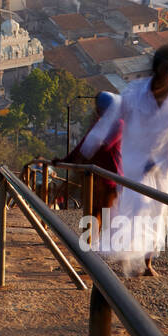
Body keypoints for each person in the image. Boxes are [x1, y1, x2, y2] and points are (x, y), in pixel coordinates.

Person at [78, 45, 168, 276]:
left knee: (156, 212)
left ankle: (146, 262)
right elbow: (112, 117)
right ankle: (124, 259)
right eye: (166, 69)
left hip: (163, 164)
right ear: (156, 69)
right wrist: (90, 144)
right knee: (132, 211)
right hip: (134, 160)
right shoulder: (134, 91)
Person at [68, 91, 124, 247]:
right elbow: (83, 145)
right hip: (95, 178)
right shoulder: (99, 124)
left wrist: (85, 156)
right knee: (92, 212)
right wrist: (66, 159)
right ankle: (89, 246)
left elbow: (106, 145)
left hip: (110, 177)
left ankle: (104, 248)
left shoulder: (118, 124)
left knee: (106, 213)